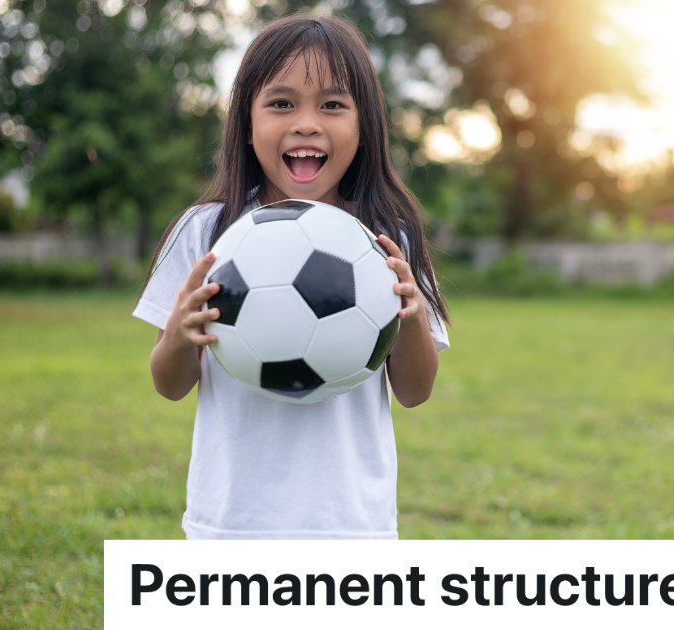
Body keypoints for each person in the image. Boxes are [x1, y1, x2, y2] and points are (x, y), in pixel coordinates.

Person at [132, 13, 450, 540]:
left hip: (352, 531)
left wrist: (412, 318)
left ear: (364, 126)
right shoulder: (207, 231)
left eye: (332, 104)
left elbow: (415, 392)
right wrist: (179, 335)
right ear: (248, 125)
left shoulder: (389, 239)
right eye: (281, 103)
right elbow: (170, 385)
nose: (306, 123)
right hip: (231, 528)